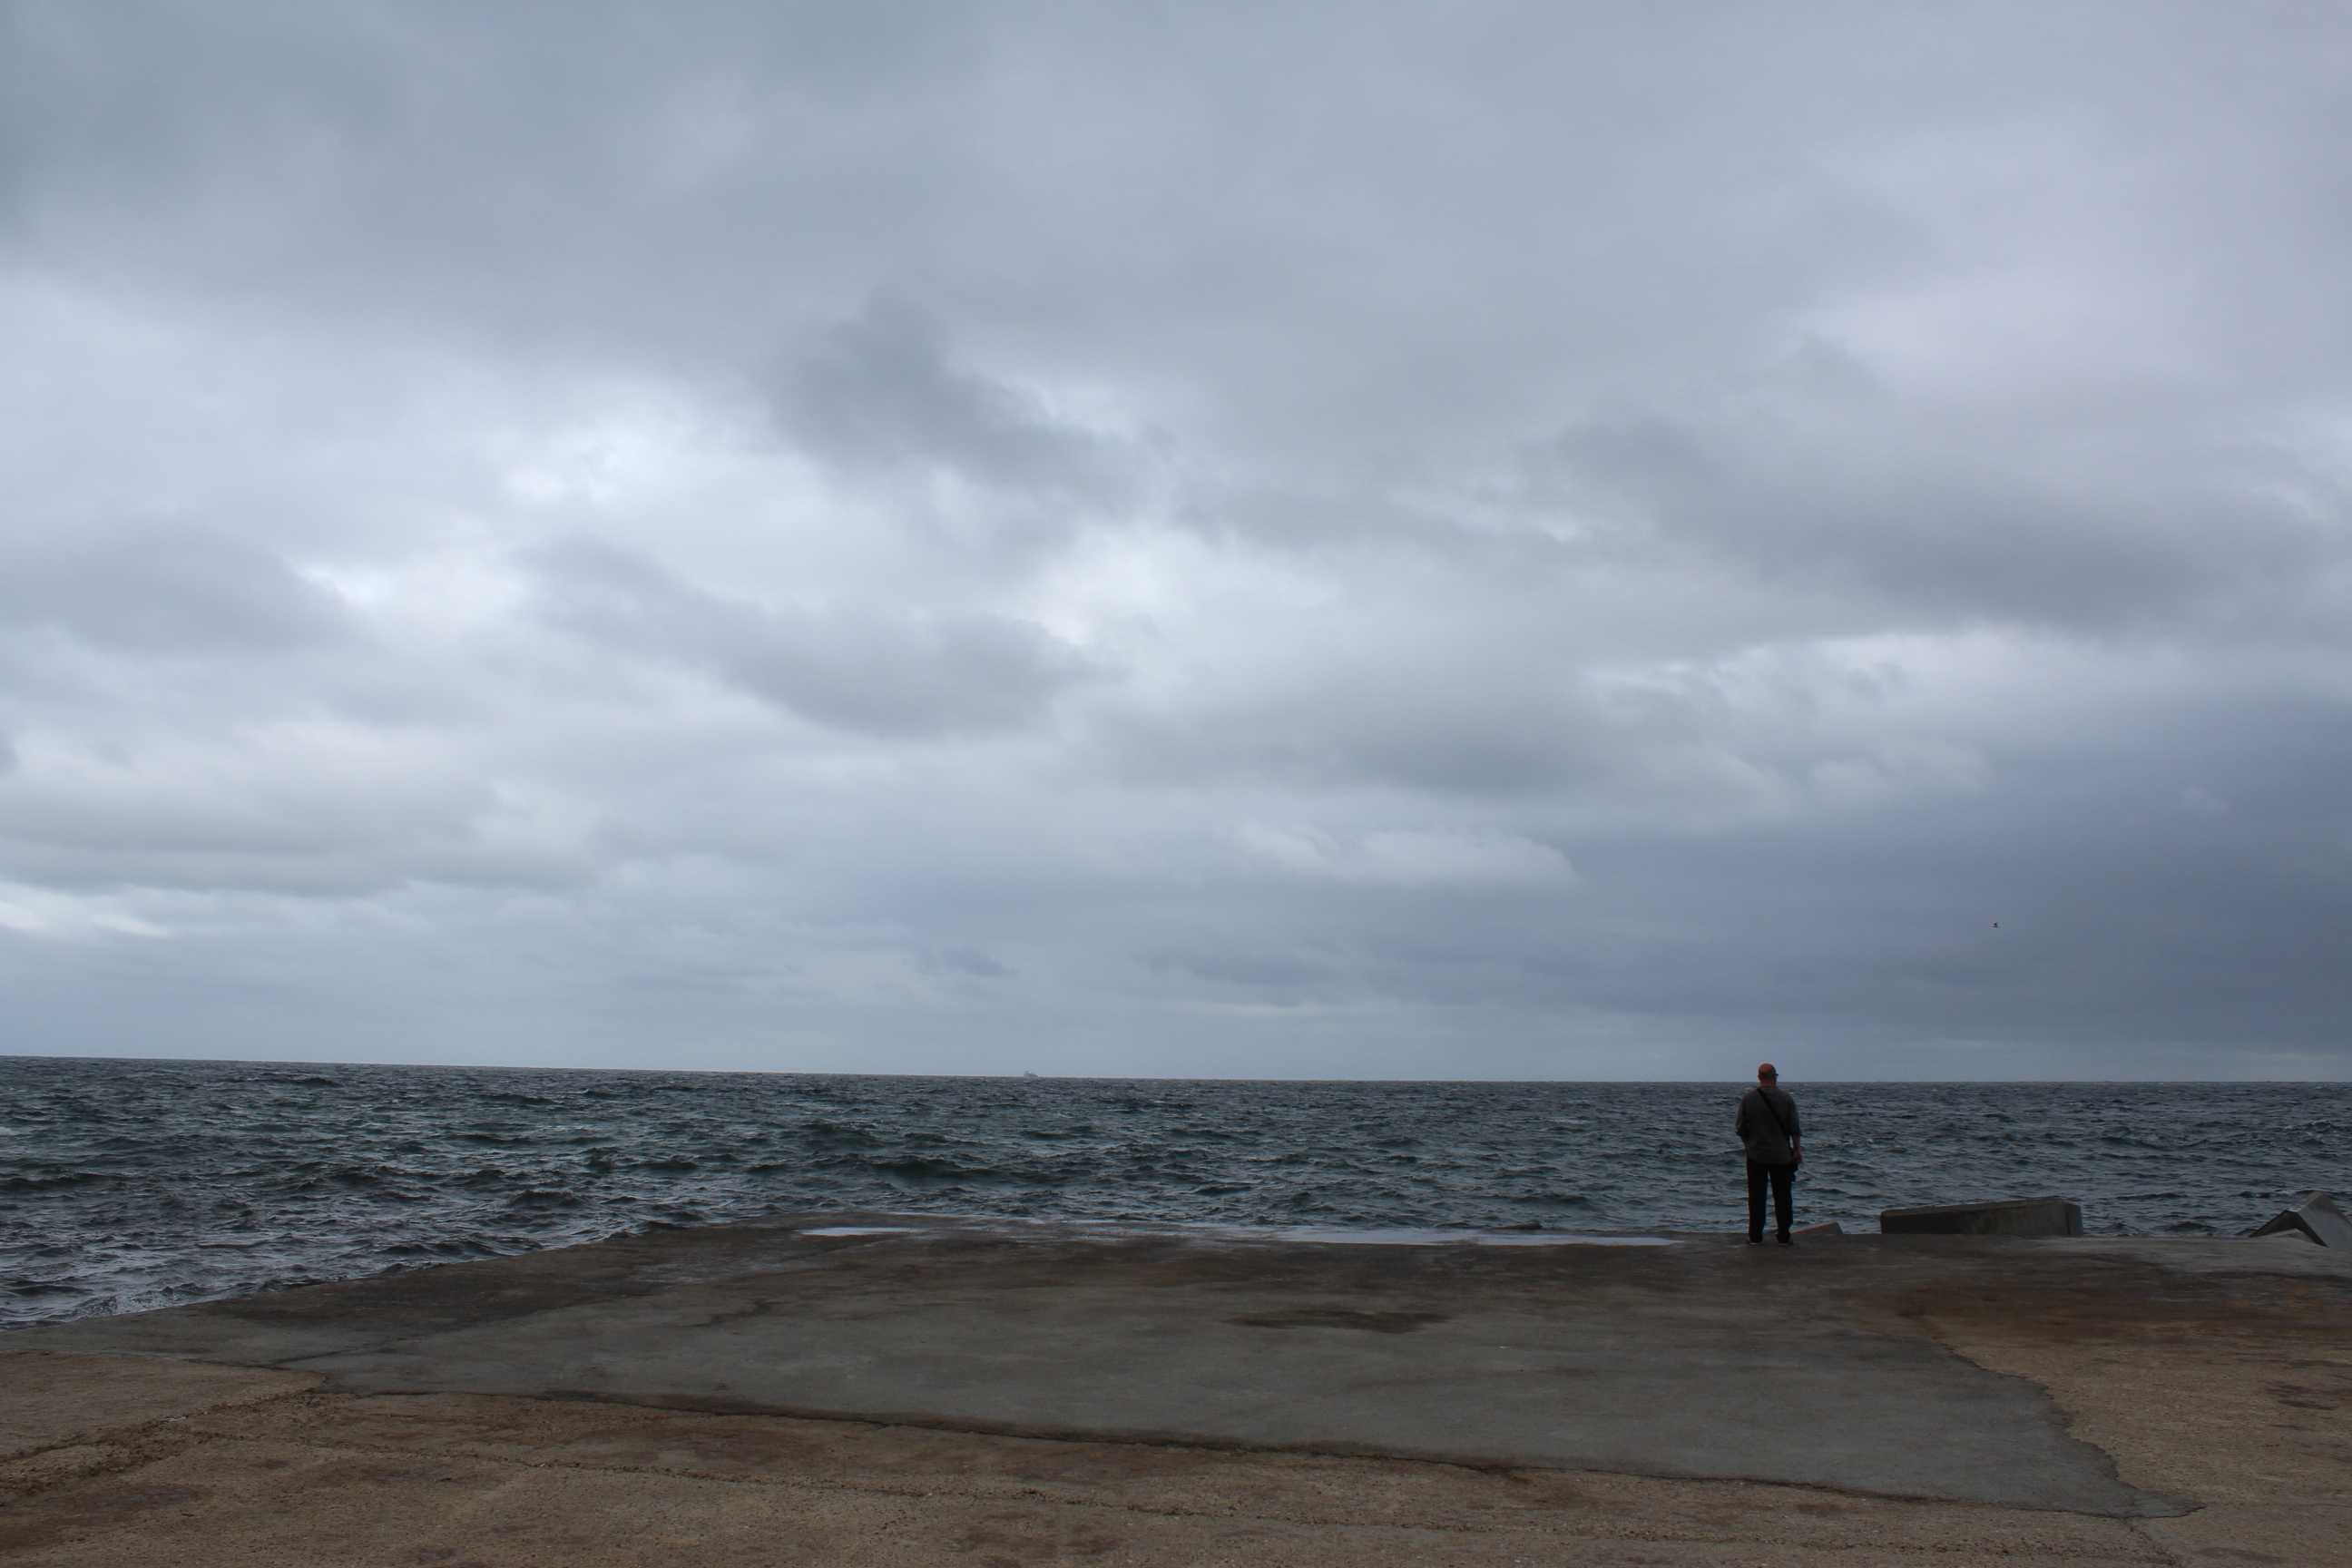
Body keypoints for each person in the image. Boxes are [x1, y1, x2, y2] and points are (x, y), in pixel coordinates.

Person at [1734, 1063, 1802, 1245]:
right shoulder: (1786, 1098)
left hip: (1756, 1155)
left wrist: (1748, 1146)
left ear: (1758, 1077)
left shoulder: (1748, 1099)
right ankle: (1784, 1236)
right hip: (1782, 1156)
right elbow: (1794, 1129)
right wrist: (1796, 1151)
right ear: (1775, 1077)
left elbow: (1740, 1128)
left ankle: (1755, 1236)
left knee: (1756, 1197)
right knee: (1783, 1197)